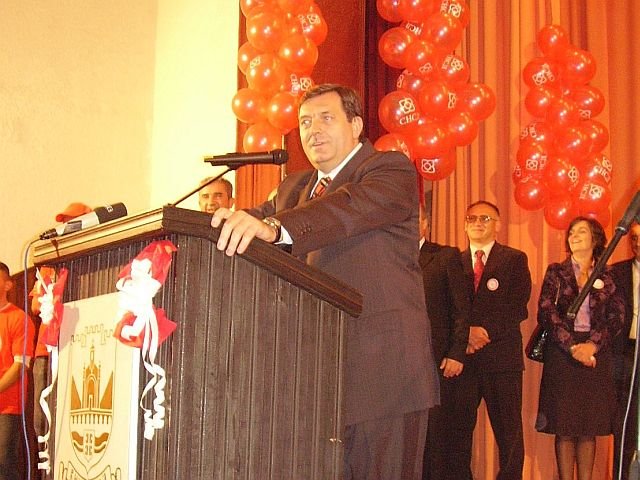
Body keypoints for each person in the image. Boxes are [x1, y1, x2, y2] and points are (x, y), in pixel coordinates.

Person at [211, 83, 439, 479]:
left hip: (382, 374)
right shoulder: (293, 188)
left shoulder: (389, 170)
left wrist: (273, 227)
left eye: (325, 118)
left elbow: (345, 208)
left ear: (355, 125)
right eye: (304, 122)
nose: (313, 130)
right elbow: (251, 221)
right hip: (314, 379)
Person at [535, 216, 624, 480]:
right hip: (563, 354)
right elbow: (546, 312)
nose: (574, 236)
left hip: (595, 354)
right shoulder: (556, 272)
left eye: (581, 232)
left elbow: (617, 316)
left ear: (595, 239)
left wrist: (592, 346)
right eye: (571, 232)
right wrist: (573, 347)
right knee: (564, 427)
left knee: (588, 428)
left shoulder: (608, 275)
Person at [455, 200, 532, 480]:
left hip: (502, 360)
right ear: (465, 225)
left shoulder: (514, 259)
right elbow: (447, 308)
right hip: (462, 360)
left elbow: (518, 307)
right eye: (472, 218)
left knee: (509, 432)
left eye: (485, 218)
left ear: (497, 225)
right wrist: (466, 335)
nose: (477, 223)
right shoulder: (453, 262)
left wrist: (482, 333)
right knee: (458, 431)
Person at [418, 208, 471, 480]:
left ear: (425, 223)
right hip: (400, 360)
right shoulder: (389, 256)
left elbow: (461, 308)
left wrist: (456, 352)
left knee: (436, 434)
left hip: (437, 360)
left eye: (415, 218)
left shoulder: (444, 256)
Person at [0, 261, 36, 480]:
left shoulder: (18, 318)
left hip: (7, 408)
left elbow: (20, 365)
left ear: (8, 285)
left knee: (4, 466)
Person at [612, 221, 640, 480]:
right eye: (634, 237)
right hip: (627, 354)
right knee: (626, 424)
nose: (638, 242)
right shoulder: (617, 272)